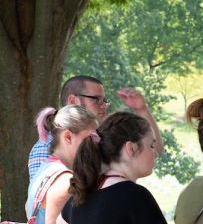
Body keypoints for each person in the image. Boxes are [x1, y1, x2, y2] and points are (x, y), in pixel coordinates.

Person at [28, 75, 163, 180]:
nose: (104, 105)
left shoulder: (100, 136)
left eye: (104, 100)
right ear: (73, 100)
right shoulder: (45, 146)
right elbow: (44, 205)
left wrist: (142, 109)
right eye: (96, 99)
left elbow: (153, 149)